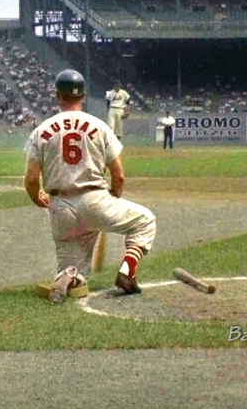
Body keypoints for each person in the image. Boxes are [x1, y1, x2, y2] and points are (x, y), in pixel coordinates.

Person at [24, 69, 156, 304]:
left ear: (58, 95)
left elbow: (32, 179)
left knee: (73, 267)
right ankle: (127, 270)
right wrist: (114, 197)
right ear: (83, 96)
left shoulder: (42, 131)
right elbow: (119, 175)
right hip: (95, 199)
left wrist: (38, 199)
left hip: (60, 207)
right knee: (144, 221)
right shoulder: (100, 127)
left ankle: (69, 275)